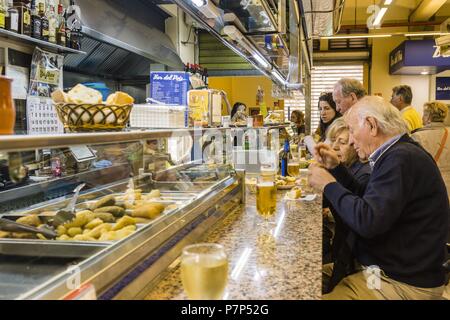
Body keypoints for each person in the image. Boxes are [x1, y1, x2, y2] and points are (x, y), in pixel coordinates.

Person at [309, 96, 449, 300]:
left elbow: (367, 221)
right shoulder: (397, 153)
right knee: (299, 278)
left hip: (401, 280)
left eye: (353, 132)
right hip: (382, 268)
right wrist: (337, 169)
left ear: (372, 126)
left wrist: (327, 184)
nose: (351, 140)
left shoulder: (401, 158)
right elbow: (368, 201)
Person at [322, 118, 371, 292]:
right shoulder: (346, 168)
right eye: (332, 141)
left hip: (360, 263)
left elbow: (354, 215)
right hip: (344, 253)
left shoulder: (363, 175)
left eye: (341, 142)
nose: (334, 147)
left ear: (355, 145)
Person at [412, 101, 450, 200]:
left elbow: (415, 166)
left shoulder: (418, 136)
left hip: (430, 184)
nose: (422, 117)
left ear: (428, 117)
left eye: (424, 115)